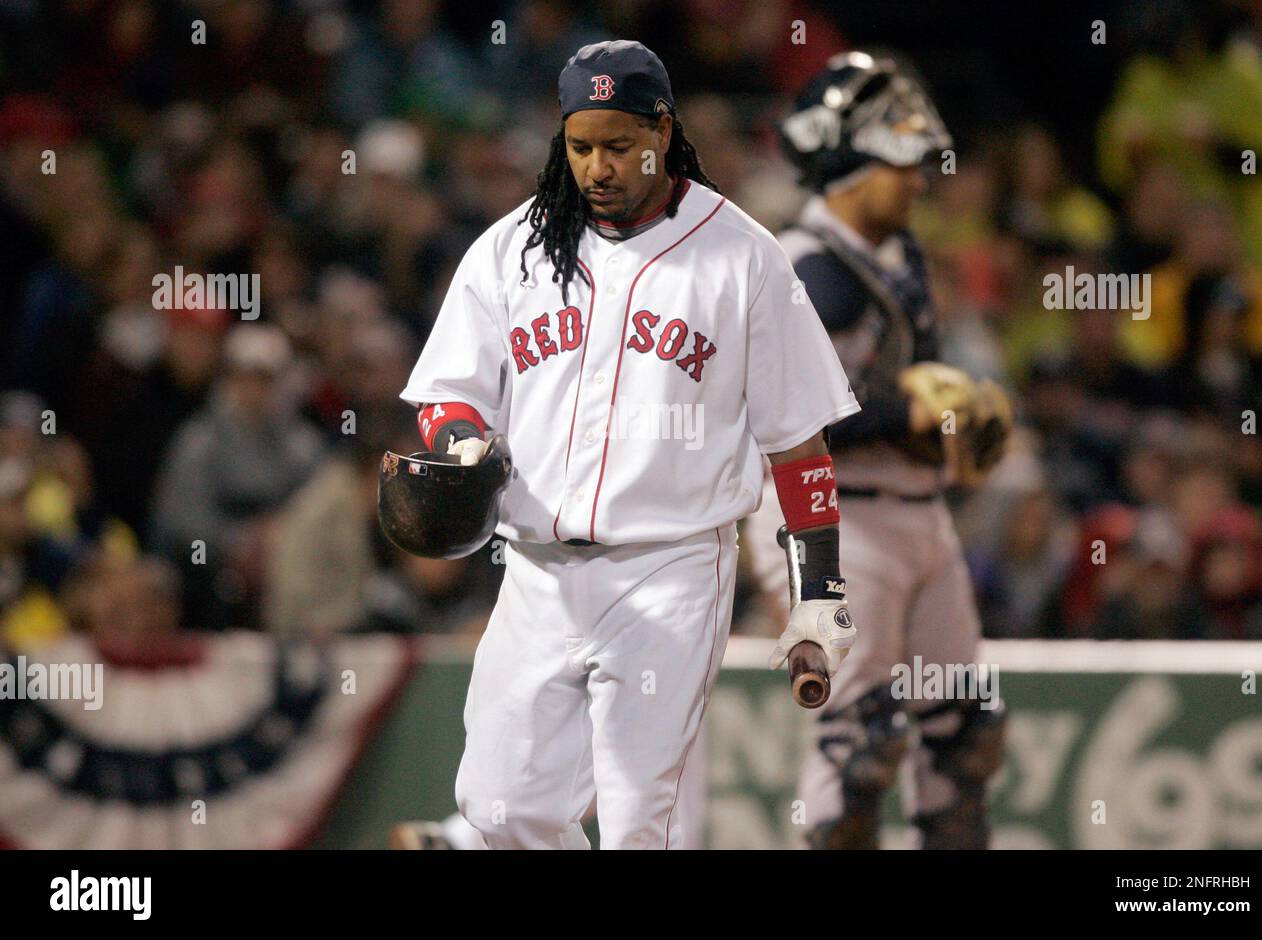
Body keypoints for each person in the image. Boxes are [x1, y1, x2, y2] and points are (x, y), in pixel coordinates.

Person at [397, 40, 859, 849]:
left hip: (671, 568)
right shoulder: (513, 247)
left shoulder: (743, 255)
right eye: (580, 146)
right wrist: (465, 441)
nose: (597, 167)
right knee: (498, 807)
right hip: (536, 569)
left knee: (640, 820)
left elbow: (798, 441)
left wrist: (817, 588)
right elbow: (445, 392)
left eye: (618, 145)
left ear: (663, 131)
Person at [745, 51, 1010, 849]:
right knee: (863, 742)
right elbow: (777, 417)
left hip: (917, 517)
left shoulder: (901, 257)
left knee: (964, 737)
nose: (919, 178)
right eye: (901, 160)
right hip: (830, 521)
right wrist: (907, 414)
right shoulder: (800, 266)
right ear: (849, 162)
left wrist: (951, 429)